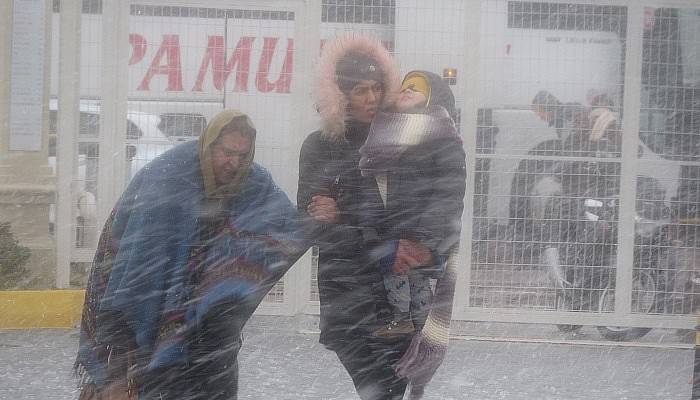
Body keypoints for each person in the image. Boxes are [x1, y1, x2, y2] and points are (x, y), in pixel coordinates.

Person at [75, 110, 305, 399]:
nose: (233, 163)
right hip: (151, 303)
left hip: (210, 324)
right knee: (158, 383)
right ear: (209, 145)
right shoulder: (168, 180)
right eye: (226, 152)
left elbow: (286, 223)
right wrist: (121, 364)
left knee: (215, 381)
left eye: (242, 155)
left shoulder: (253, 182)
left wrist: (320, 218)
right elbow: (134, 275)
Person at [297, 34, 411, 400]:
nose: (372, 98)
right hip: (349, 290)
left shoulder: (398, 144)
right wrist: (380, 239)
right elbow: (316, 224)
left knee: (390, 388)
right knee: (376, 387)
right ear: (340, 94)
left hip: (399, 290)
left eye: (378, 88)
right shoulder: (321, 146)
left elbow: (414, 212)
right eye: (361, 90)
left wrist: (347, 219)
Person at [358, 70, 466, 338]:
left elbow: (448, 193)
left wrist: (425, 240)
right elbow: (374, 183)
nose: (406, 90)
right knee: (395, 275)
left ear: (434, 98)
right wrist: (374, 230)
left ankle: (420, 328)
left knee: (416, 281)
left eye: (416, 88)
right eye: (404, 86)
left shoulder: (442, 137)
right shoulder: (389, 132)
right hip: (393, 229)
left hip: (419, 232)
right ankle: (404, 321)